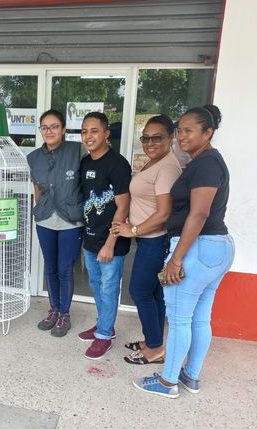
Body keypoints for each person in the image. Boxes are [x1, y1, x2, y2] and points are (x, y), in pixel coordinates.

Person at [133, 105, 235, 398]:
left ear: (208, 132)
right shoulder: (204, 161)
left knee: (179, 320)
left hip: (199, 248)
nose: (181, 136)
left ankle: (167, 383)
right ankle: (190, 376)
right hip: (215, 247)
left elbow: (199, 213)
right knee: (199, 318)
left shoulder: (206, 164)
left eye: (189, 131)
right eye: (179, 131)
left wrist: (176, 259)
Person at [112, 115, 182, 364]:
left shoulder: (167, 168)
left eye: (157, 138)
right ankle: (154, 341)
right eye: (145, 138)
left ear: (170, 137)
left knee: (140, 291)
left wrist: (132, 230)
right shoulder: (156, 162)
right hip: (149, 239)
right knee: (153, 293)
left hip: (155, 240)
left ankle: (154, 350)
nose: (150, 143)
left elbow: (163, 214)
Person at [77, 112, 132, 359]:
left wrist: (110, 243)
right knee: (96, 285)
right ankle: (104, 325)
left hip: (111, 241)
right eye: (84, 131)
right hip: (90, 237)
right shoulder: (85, 163)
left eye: (94, 131)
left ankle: (104, 336)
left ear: (106, 134)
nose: (88, 136)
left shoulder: (117, 164)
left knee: (109, 288)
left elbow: (123, 206)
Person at [27, 110, 84, 337]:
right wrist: (41, 209)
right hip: (45, 220)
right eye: (44, 127)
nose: (49, 131)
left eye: (54, 126)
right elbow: (37, 190)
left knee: (64, 268)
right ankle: (54, 309)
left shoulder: (77, 151)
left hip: (70, 220)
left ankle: (65, 314)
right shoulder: (33, 157)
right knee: (50, 267)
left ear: (63, 129)